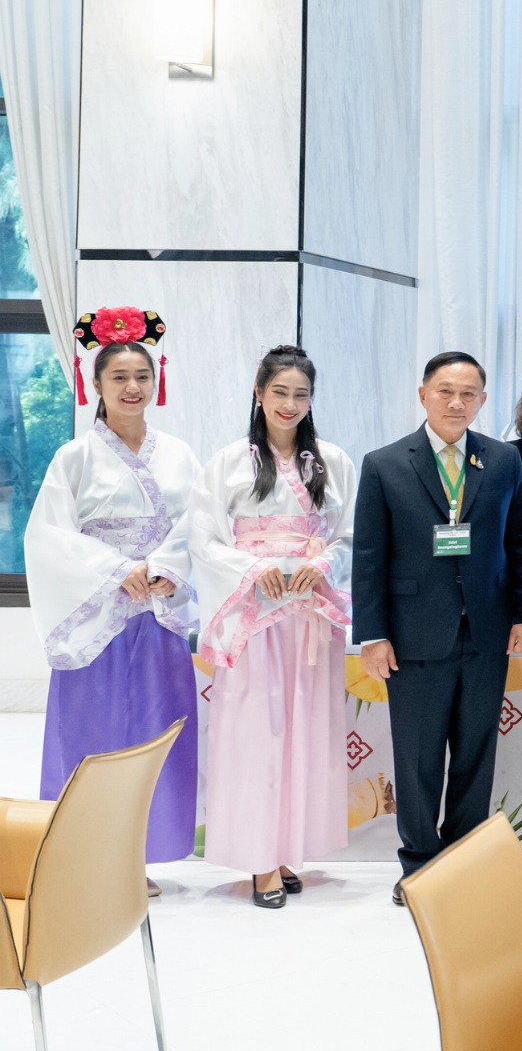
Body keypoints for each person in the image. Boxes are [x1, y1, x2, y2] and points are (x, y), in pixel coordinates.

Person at [353, 351, 522, 906]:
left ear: (483, 400)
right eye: (446, 391)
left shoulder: (502, 460)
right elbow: (368, 556)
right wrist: (373, 634)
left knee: (476, 753)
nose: (457, 403)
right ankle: (419, 866)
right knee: (417, 758)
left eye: (468, 394)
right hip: (412, 636)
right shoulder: (385, 464)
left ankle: (463, 861)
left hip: (487, 632)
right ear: (423, 394)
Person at [27, 320, 200, 875]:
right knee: (91, 732)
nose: (132, 387)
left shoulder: (179, 454)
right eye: (119, 377)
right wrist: (117, 570)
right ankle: (85, 860)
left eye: (142, 376)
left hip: (158, 612)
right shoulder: (73, 457)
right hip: (98, 613)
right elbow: (47, 536)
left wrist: (168, 567)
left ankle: (138, 859)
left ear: (156, 382)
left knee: (157, 732)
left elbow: (201, 524)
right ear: (95, 384)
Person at [190, 346, 357, 908]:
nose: (289, 404)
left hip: (309, 614)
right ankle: (259, 858)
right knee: (256, 734)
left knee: (305, 732)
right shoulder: (227, 463)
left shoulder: (331, 461)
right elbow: (204, 540)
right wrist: (253, 570)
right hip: (254, 614)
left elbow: (348, 535)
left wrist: (324, 564)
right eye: (279, 392)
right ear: (258, 392)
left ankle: (288, 850)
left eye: (300, 394)